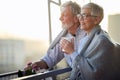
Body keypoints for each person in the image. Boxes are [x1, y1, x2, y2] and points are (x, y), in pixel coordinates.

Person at [24, 1, 85, 73]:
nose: (60, 18)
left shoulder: (89, 37)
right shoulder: (65, 37)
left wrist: (71, 51)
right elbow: (50, 59)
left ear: (76, 18)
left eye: (64, 15)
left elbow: (91, 68)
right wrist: (36, 64)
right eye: (61, 15)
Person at [69, 2, 120, 80]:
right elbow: (78, 65)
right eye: (80, 15)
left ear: (96, 20)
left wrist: (72, 52)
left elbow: (93, 74)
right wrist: (72, 51)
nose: (81, 19)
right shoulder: (85, 39)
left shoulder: (102, 40)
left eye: (85, 15)